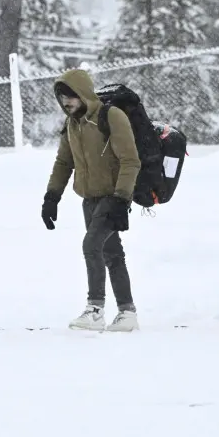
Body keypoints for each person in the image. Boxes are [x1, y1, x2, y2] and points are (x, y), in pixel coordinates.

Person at [42, 69, 141, 332]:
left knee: (91, 245)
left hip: (112, 196)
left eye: (71, 96)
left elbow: (131, 160)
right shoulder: (72, 125)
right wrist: (52, 197)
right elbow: (64, 162)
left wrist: (122, 198)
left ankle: (95, 309)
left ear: (83, 93)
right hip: (89, 199)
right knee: (112, 254)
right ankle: (127, 312)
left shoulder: (111, 116)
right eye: (62, 97)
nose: (66, 102)